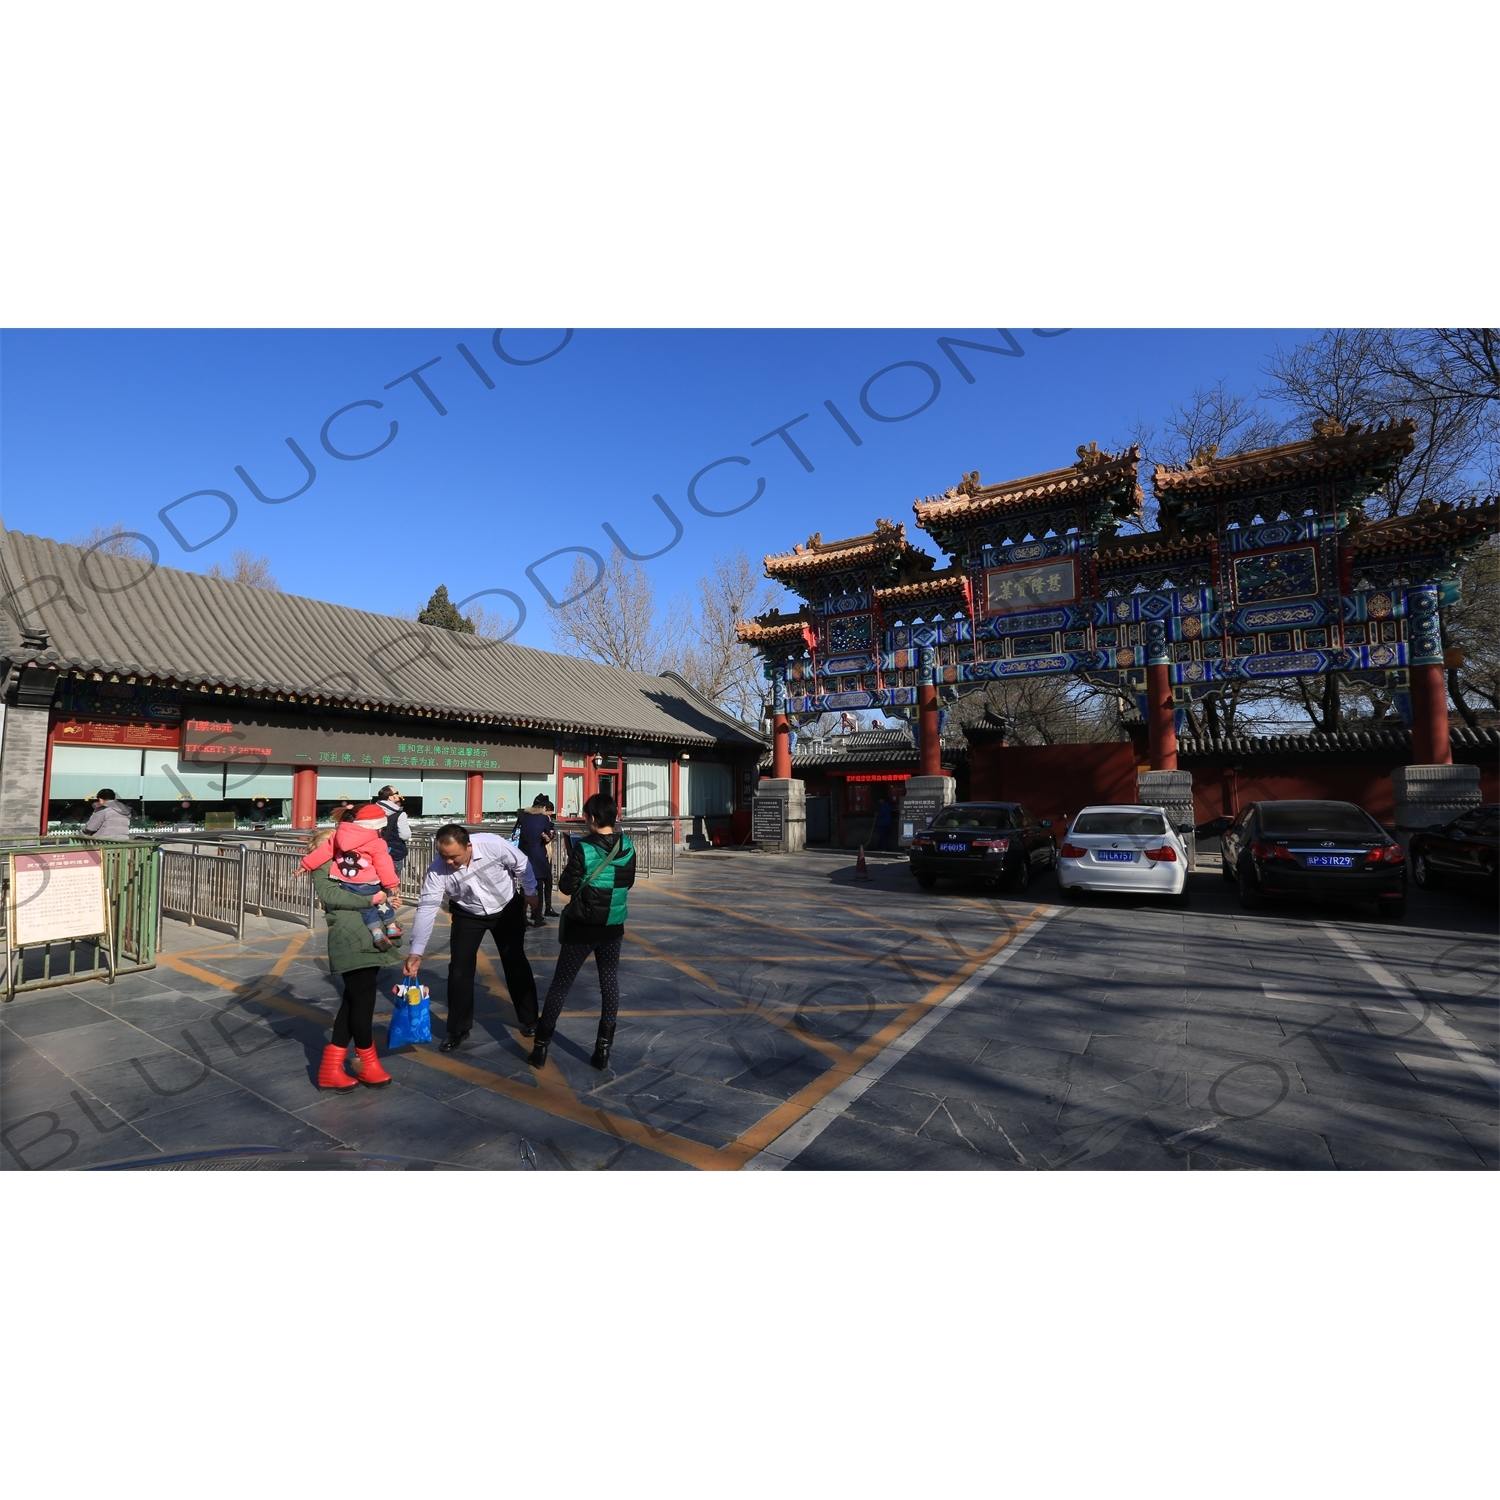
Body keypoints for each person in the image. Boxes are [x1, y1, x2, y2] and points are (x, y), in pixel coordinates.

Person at [401, 824, 541, 1051]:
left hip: (506, 908)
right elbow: (427, 907)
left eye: (454, 856)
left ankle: (530, 1019)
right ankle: (457, 1029)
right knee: (459, 968)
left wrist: (530, 892)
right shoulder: (438, 869)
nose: (449, 862)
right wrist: (417, 950)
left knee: (515, 961)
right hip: (468, 914)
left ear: (468, 846)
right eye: (444, 856)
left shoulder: (493, 845)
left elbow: (522, 865)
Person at [529, 792, 635, 1073]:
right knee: (609, 983)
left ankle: (540, 1048)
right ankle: (602, 1052)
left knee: (561, 985)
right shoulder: (627, 845)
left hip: (583, 926)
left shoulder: (584, 848)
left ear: (594, 819)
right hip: (614, 924)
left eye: (587, 816)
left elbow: (565, 886)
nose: (585, 820)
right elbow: (629, 881)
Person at [308, 863, 398, 1092]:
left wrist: (386, 900)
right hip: (349, 940)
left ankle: (331, 1069)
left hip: (371, 937)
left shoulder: (358, 860)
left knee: (354, 1001)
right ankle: (367, 1063)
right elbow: (332, 895)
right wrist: (372, 899)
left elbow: (376, 889)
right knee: (363, 1001)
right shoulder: (325, 865)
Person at [300, 804, 404, 948]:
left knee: (370, 908)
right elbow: (384, 865)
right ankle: (391, 926)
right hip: (368, 885)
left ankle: (377, 933)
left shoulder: (338, 837)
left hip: (346, 882)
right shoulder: (377, 842)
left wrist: (306, 864)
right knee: (380, 905)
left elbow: (325, 850)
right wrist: (391, 884)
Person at [515, 794, 556, 926]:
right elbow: (547, 835)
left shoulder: (523, 816)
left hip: (523, 854)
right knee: (539, 886)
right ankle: (538, 917)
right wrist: (548, 837)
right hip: (537, 854)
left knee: (524, 886)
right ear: (544, 807)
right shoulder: (543, 818)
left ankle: (522, 917)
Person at [373, 785, 411, 877]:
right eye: (396, 793)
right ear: (390, 797)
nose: (398, 795)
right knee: (391, 883)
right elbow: (405, 835)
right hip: (394, 853)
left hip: (374, 852)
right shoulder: (399, 814)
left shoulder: (373, 810)